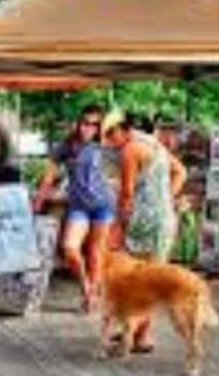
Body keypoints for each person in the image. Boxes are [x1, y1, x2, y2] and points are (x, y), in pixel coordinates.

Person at [102, 110, 187, 351]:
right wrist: (165, 200)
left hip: (144, 225)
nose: (110, 139)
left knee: (140, 280)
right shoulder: (156, 146)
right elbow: (181, 171)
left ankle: (141, 337)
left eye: (112, 133)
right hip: (164, 221)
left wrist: (117, 225)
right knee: (151, 278)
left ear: (124, 130)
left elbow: (126, 194)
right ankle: (138, 332)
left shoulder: (130, 150)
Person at [33, 104, 114, 312]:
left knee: (95, 253)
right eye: (85, 123)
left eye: (95, 124)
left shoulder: (105, 145)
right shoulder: (68, 145)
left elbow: (119, 171)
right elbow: (49, 174)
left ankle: (90, 297)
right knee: (69, 248)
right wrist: (39, 199)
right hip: (78, 206)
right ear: (79, 123)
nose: (88, 128)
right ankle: (86, 285)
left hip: (103, 205)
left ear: (100, 127)